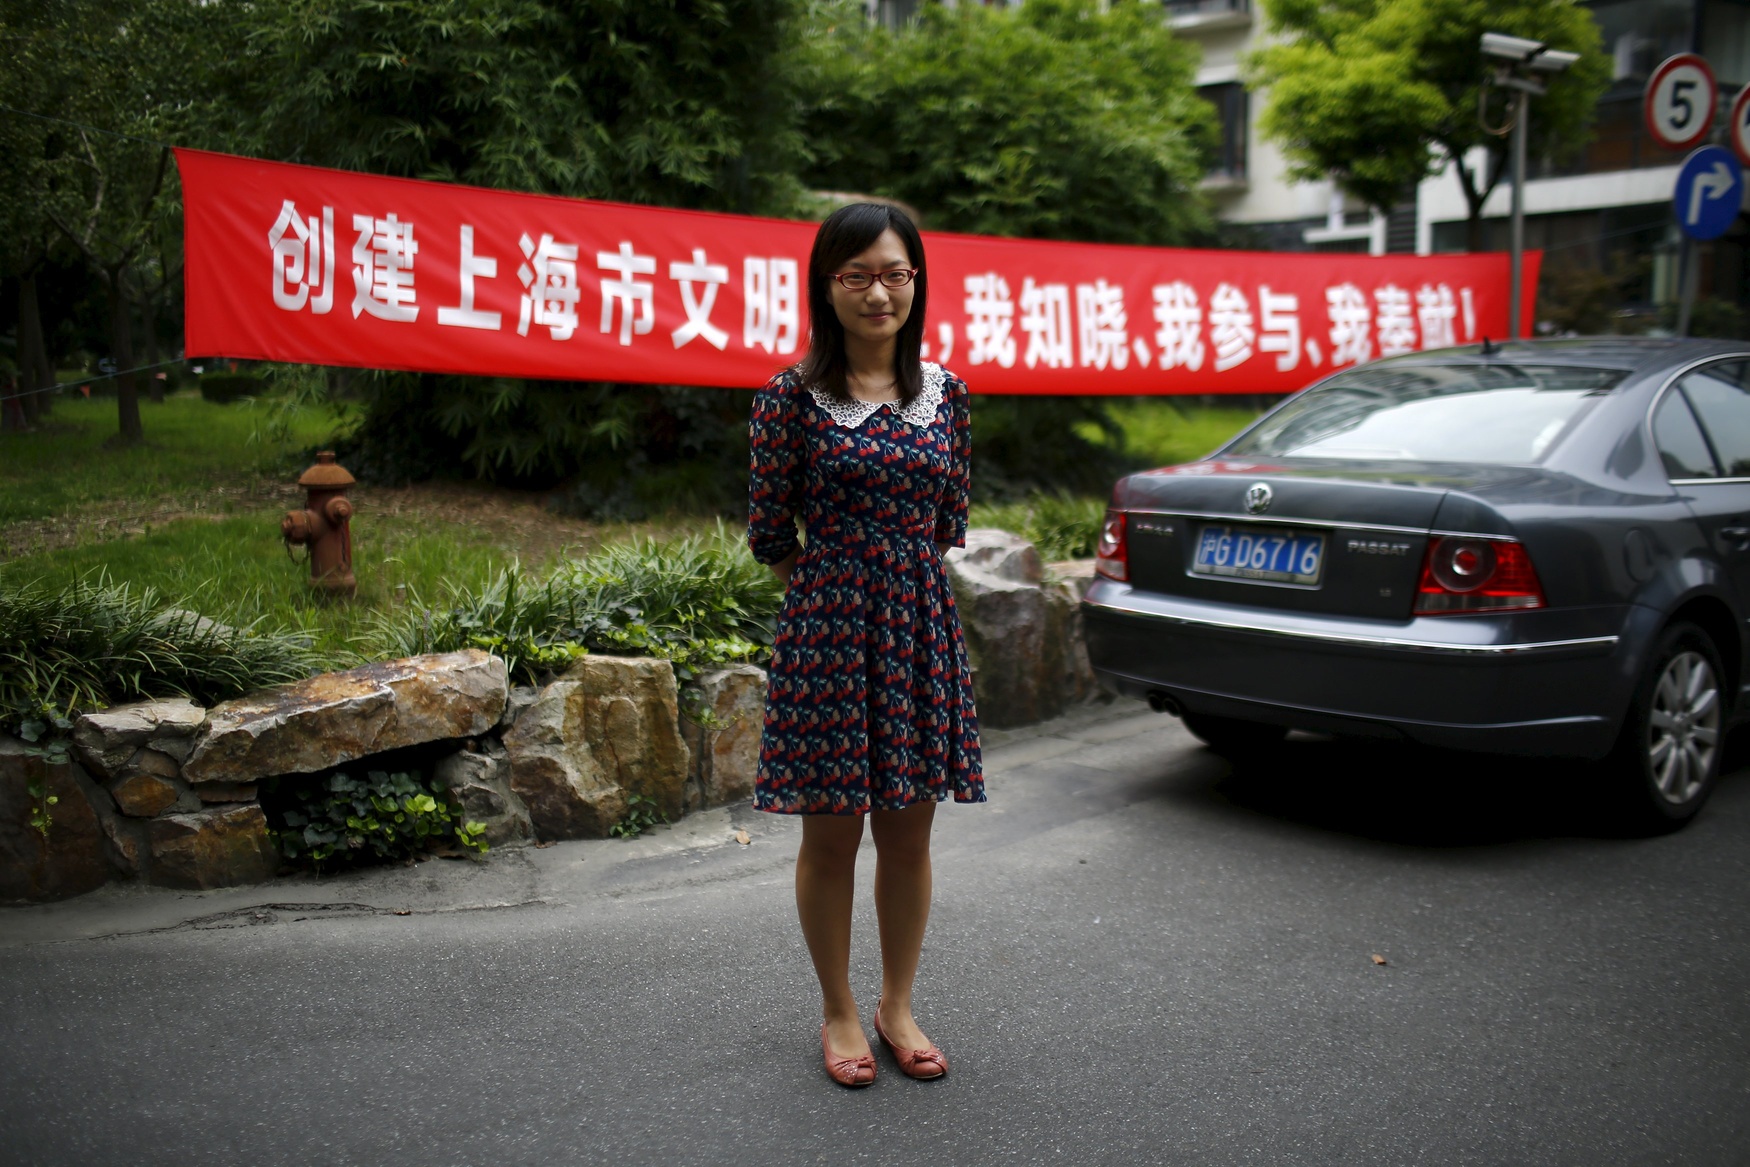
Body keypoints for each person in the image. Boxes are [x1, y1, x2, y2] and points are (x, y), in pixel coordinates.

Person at [746, 203, 985, 1087]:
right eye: (856, 275)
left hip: (918, 629)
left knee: (910, 835)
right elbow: (771, 532)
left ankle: (898, 1003)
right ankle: (840, 1008)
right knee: (833, 835)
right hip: (829, 636)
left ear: (916, 281)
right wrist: (836, 592)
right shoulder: (789, 397)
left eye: (894, 273)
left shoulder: (946, 396)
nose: (877, 292)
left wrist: (896, 587)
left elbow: (949, 519)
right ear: (828, 285)